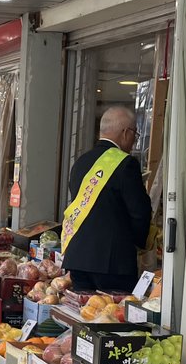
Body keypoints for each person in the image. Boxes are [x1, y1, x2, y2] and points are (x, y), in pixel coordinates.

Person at [62, 105, 153, 294]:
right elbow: (140, 212)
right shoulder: (126, 163)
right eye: (135, 134)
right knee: (111, 311)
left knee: (83, 310)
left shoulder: (81, 162)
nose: (134, 141)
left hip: (77, 259)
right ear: (126, 133)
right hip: (112, 264)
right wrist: (141, 243)